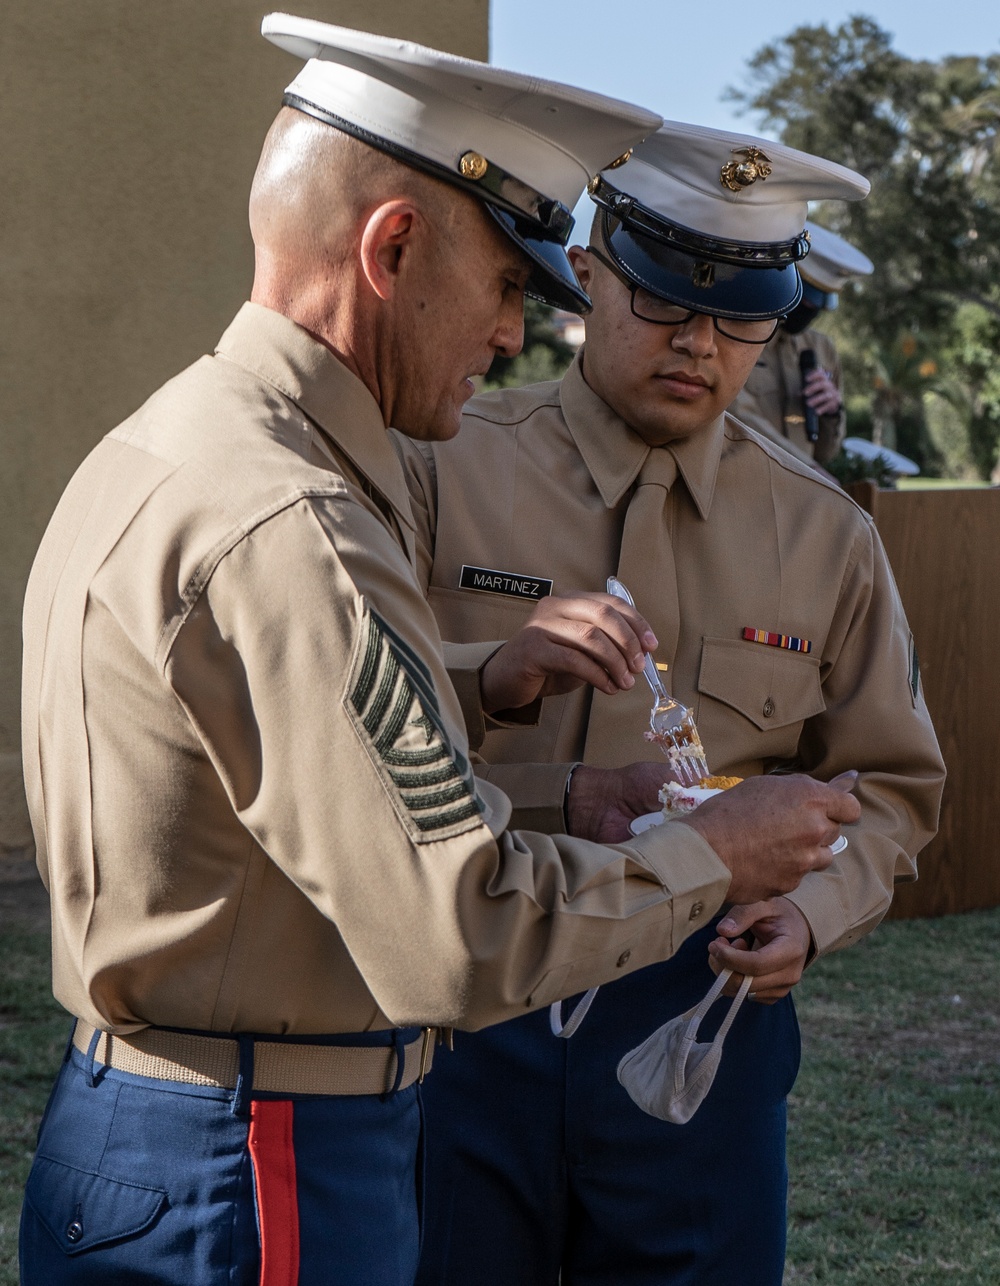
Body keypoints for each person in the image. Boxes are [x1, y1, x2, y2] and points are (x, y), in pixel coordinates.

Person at [16, 20, 858, 1286]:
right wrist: (715, 850)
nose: (515, 332)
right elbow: (455, 939)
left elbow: (264, 762)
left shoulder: (179, 439)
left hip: (172, 1125)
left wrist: (537, 753)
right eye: (509, 284)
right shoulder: (300, 522)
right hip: (261, 1160)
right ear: (392, 247)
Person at [396, 121, 946, 1286]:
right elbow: (356, 716)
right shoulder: (439, 466)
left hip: (702, 1007)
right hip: (468, 993)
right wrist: (494, 681)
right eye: (661, 302)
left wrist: (814, 909)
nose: (700, 344)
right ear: (589, 273)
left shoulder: (825, 531)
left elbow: (890, 782)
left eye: (744, 315)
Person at [729, 221, 874, 467]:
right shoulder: (735, 331)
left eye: (817, 304)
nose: (810, 309)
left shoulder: (822, 348)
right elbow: (736, 416)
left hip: (802, 497)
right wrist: (807, 473)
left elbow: (826, 454)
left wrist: (832, 414)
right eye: (805, 297)